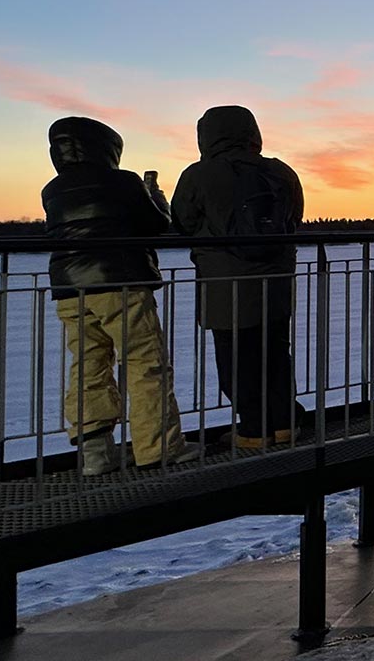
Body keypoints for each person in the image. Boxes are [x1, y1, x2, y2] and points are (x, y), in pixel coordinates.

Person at [42, 117, 197, 475]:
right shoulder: (123, 181)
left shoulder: (52, 189)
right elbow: (156, 225)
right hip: (119, 282)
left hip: (69, 288)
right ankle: (158, 448)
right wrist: (155, 196)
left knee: (88, 363)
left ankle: (96, 455)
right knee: (145, 361)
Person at [171, 105, 307, 450]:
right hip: (276, 282)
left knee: (237, 358)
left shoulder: (199, 175)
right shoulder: (281, 172)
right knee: (277, 351)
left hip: (225, 284)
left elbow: (183, 223)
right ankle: (284, 424)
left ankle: (252, 431)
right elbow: (294, 219)